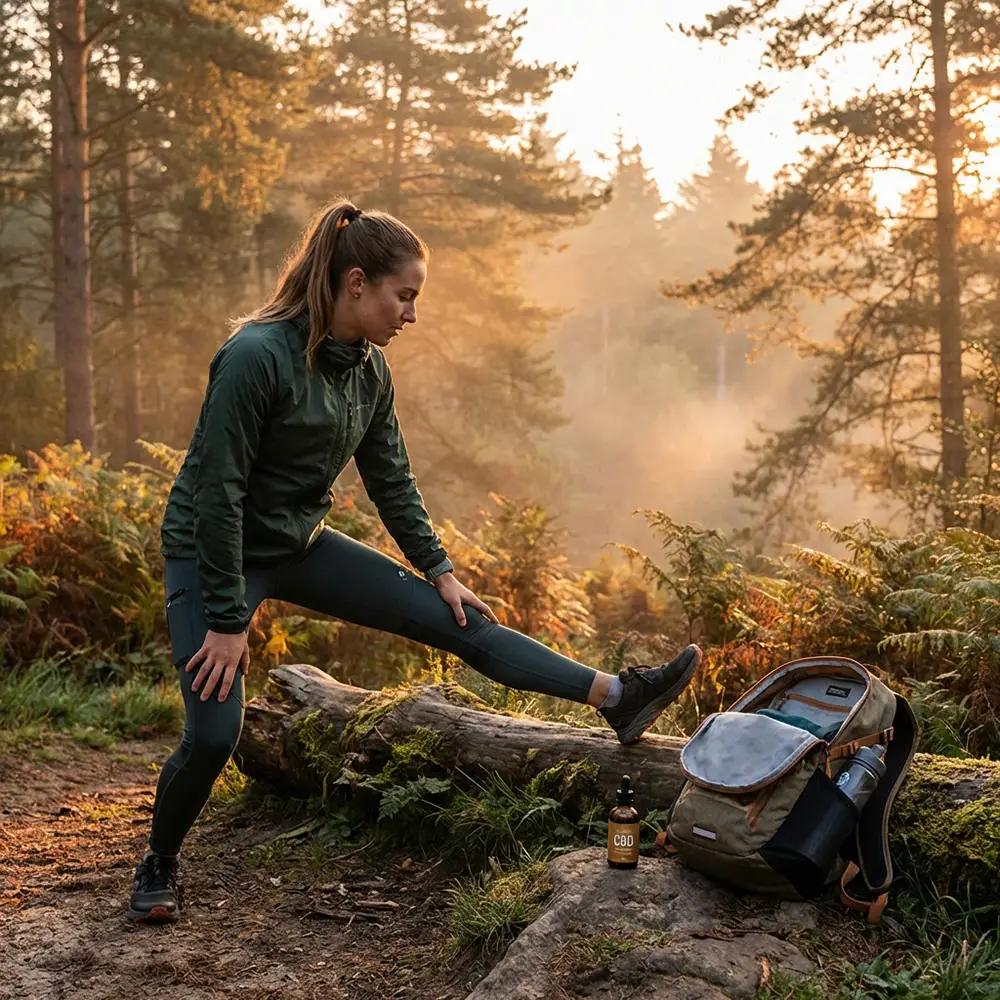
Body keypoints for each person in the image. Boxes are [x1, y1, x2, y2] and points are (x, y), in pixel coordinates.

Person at [127, 200, 701, 925]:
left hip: (297, 546)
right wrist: (225, 618)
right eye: (406, 297)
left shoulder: (367, 373)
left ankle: (618, 696)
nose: (411, 314)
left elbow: (391, 478)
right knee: (214, 734)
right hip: (213, 555)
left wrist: (441, 571)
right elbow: (219, 494)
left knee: (462, 620)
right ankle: (159, 862)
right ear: (357, 283)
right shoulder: (255, 357)